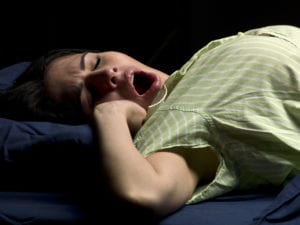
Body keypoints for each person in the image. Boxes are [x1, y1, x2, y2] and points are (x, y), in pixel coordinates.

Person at [1, 24, 300, 220]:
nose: (107, 75)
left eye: (94, 62)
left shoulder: (195, 68)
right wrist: (111, 115)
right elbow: (143, 192)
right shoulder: (172, 129)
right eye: (90, 94)